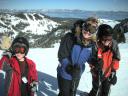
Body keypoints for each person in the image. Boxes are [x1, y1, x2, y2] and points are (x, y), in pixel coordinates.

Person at [57, 22, 96, 96]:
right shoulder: (71, 38)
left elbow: (89, 58)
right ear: (83, 26)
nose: (88, 32)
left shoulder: (91, 44)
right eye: (87, 28)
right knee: (65, 94)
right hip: (65, 72)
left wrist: (95, 62)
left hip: (77, 73)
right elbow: (62, 55)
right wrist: (69, 68)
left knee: (72, 93)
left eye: (92, 30)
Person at [88, 24, 120, 96]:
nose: (107, 41)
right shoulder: (95, 45)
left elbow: (116, 58)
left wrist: (113, 71)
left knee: (106, 91)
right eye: (105, 37)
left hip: (108, 73)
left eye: (109, 38)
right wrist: (94, 63)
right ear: (100, 36)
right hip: (96, 73)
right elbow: (89, 58)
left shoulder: (113, 44)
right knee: (96, 89)